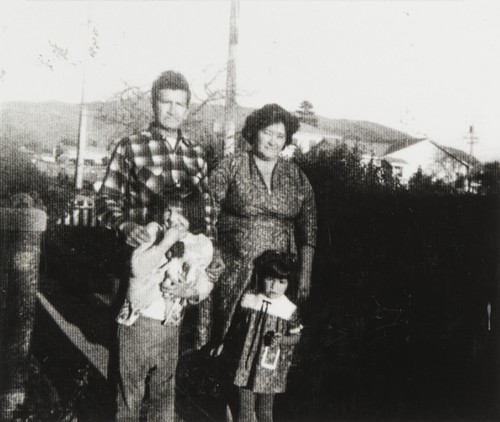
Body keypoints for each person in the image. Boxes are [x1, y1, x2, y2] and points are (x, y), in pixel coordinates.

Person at [96, 70, 223, 421]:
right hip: (139, 266)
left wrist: (200, 264)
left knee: (164, 373)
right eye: (165, 101)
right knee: (128, 366)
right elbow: (105, 200)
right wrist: (126, 227)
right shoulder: (131, 146)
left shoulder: (196, 155)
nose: (171, 110)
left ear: (187, 108)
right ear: (153, 103)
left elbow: (207, 215)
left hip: (179, 272)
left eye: (179, 103)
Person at [209, 103, 317, 345]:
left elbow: (308, 228)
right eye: (267, 132)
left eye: (280, 136)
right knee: (227, 339)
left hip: (279, 276)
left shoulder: (296, 176)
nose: (273, 141)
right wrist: (213, 253)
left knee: (270, 338)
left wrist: (305, 274)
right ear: (254, 132)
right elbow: (207, 213)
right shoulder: (231, 166)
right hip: (234, 271)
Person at [219, 250, 303, 422]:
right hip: (245, 365)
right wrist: (224, 342)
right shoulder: (250, 300)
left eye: (281, 282)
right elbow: (235, 327)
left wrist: (283, 340)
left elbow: (297, 336)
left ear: (288, 283)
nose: (273, 287)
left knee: (265, 413)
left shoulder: (288, 309)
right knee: (245, 411)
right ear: (262, 277)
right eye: (270, 279)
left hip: (270, 368)